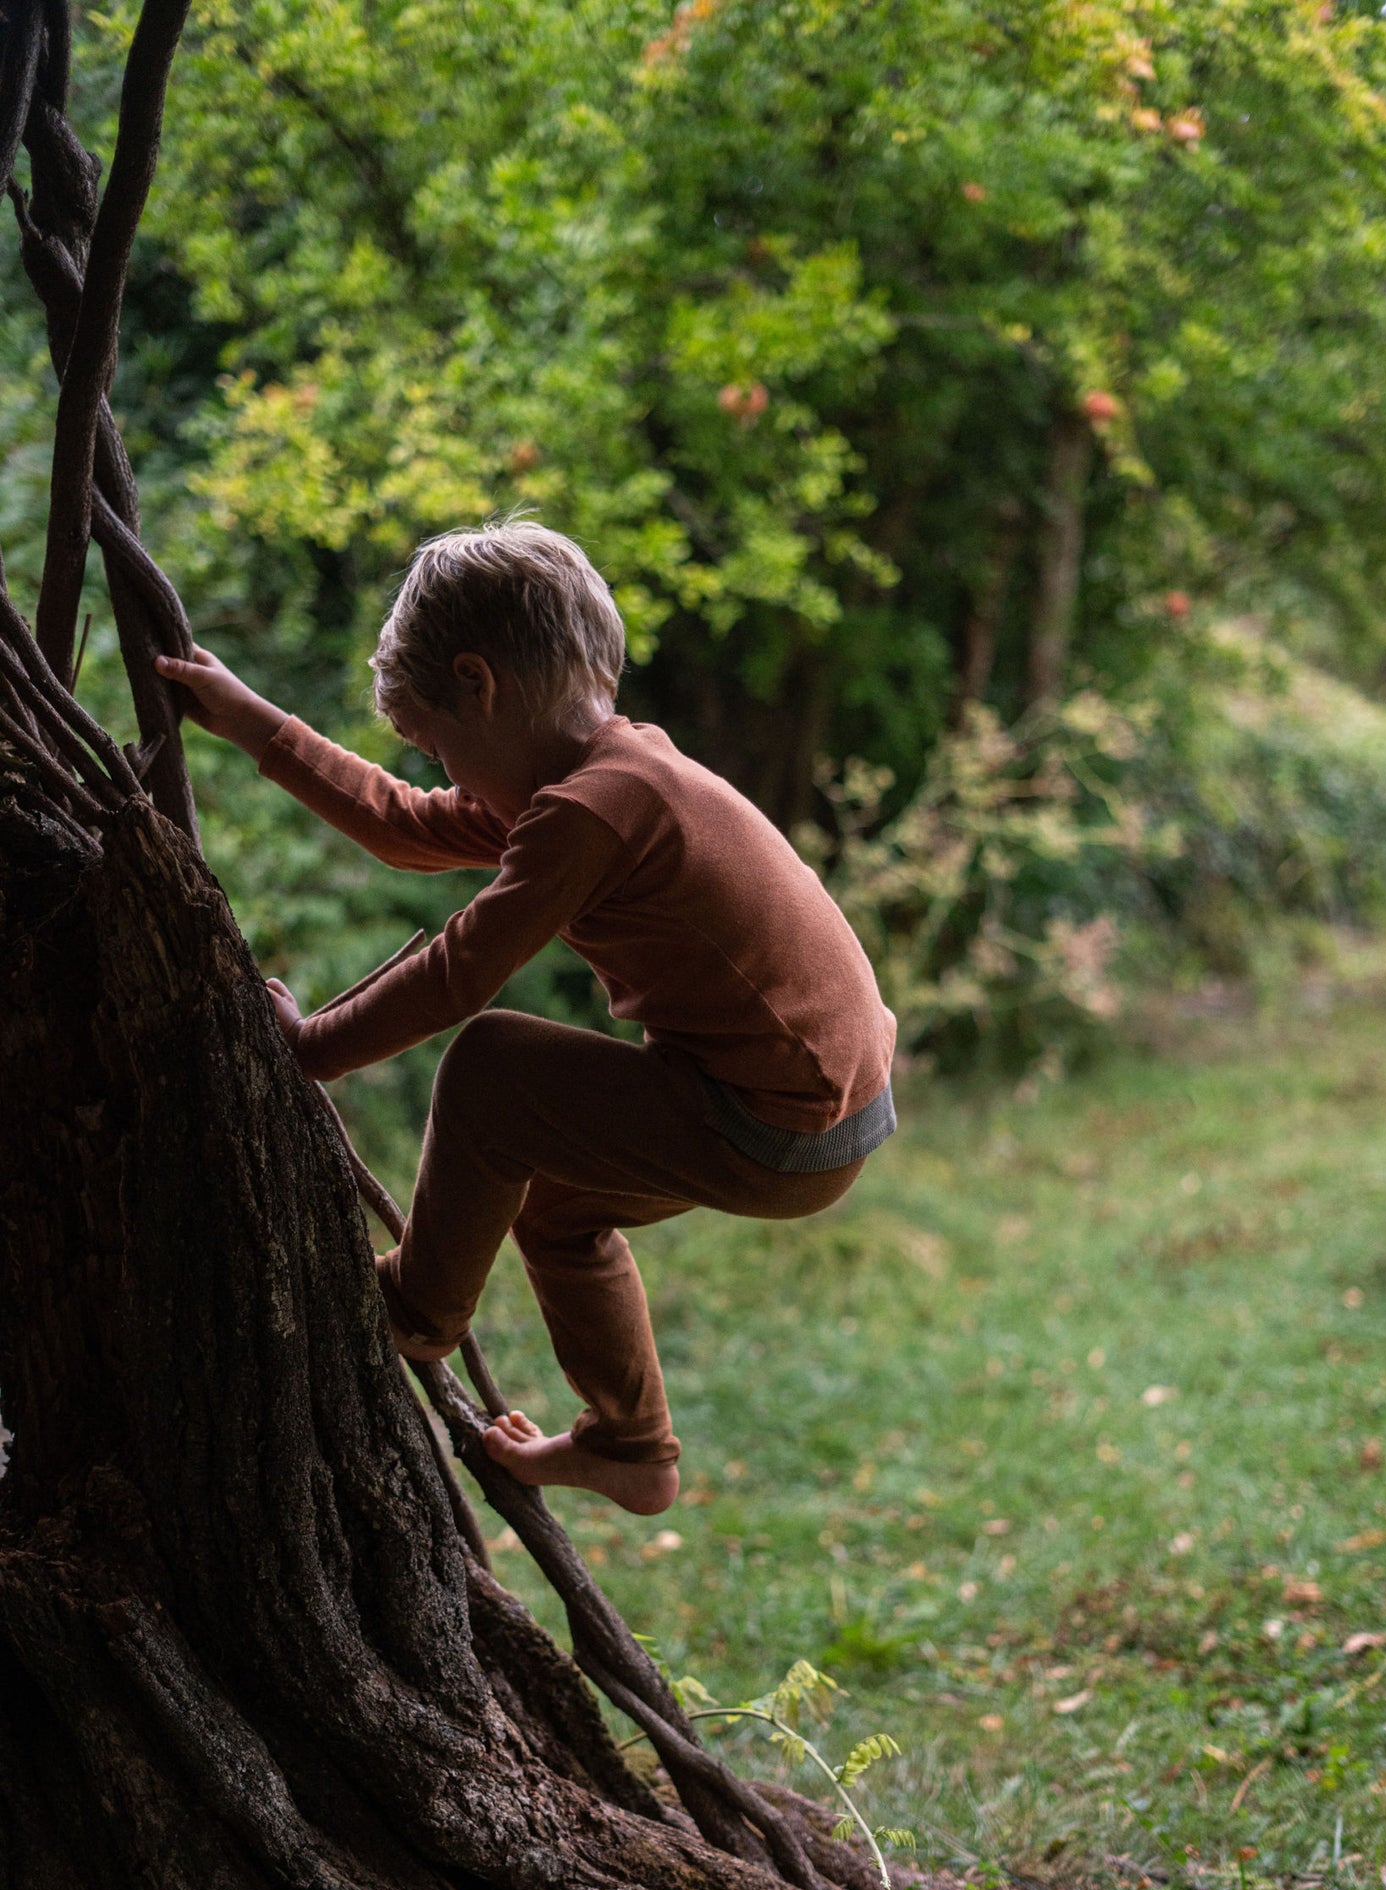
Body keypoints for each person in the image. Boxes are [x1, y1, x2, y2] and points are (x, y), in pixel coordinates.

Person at [157, 519, 897, 1516]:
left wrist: (309, 1047)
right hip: (823, 1108)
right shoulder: (603, 774)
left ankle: (417, 1308)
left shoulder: (592, 809)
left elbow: (459, 972)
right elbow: (404, 825)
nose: (447, 777)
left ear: (479, 685)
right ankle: (632, 1445)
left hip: (779, 1116)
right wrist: (253, 723)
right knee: (558, 1207)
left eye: (439, 748)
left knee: (493, 1063)